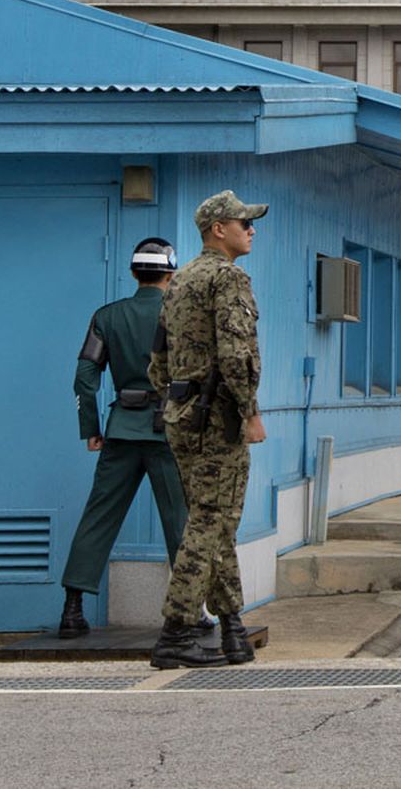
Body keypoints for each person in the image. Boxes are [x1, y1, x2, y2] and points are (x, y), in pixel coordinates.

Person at [147, 191, 268, 669]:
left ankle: (232, 628)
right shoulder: (227, 278)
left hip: (181, 414)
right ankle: (176, 629)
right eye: (244, 222)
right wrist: (249, 411)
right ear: (219, 228)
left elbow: (158, 359)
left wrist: (176, 398)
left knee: (213, 521)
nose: (251, 229)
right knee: (210, 521)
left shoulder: (179, 283)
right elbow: (238, 356)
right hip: (217, 417)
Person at [56, 239, 191, 639]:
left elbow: (84, 377)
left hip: (121, 430)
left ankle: (72, 608)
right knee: (180, 520)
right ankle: (187, 612)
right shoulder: (182, 315)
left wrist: (91, 429)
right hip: (170, 430)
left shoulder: (107, 316)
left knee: (99, 516)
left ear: (134, 273)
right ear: (171, 273)